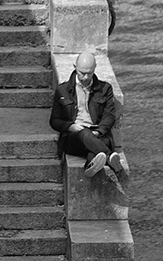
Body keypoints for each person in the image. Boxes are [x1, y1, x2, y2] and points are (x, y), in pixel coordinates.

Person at [49, 51, 123, 179]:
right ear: (75, 67)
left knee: (97, 143)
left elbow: (109, 116)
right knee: (84, 134)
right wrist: (70, 126)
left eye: (89, 73)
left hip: (97, 134)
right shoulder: (63, 90)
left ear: (95, 69)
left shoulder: (105, 89)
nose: (85, 77)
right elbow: (54, 120)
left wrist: (99, 132)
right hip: (73, 136)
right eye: (82, 73)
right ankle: (109, 156)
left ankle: (91, 165)